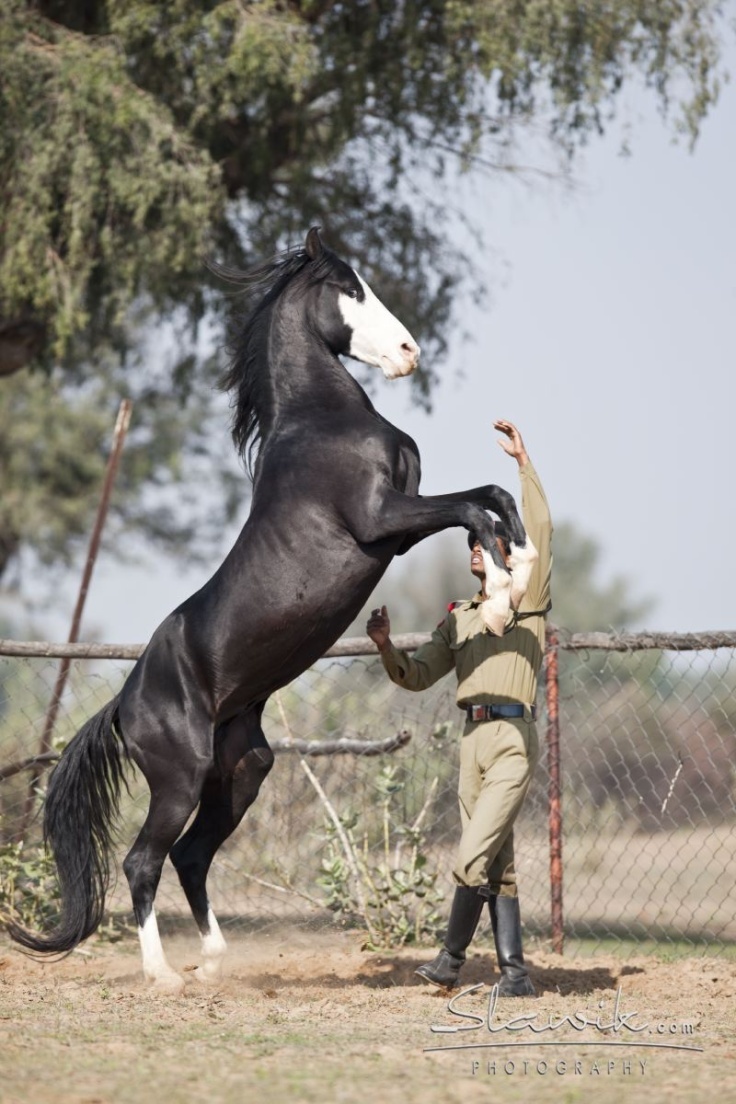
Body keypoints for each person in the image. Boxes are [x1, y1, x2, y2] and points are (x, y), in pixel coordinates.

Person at [366, 420, 552, 996]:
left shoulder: (528, 597)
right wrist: (385, 647)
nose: (477, 546)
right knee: (496, 863)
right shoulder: (460, 619)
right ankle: (515, 976)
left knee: (470, 857)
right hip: (472, 742)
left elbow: (540, 529)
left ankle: (449, 960)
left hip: (513, 740)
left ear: (506, 551)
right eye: (471, 540)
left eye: (486, 540)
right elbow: (419, 675)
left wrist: (524, 466)